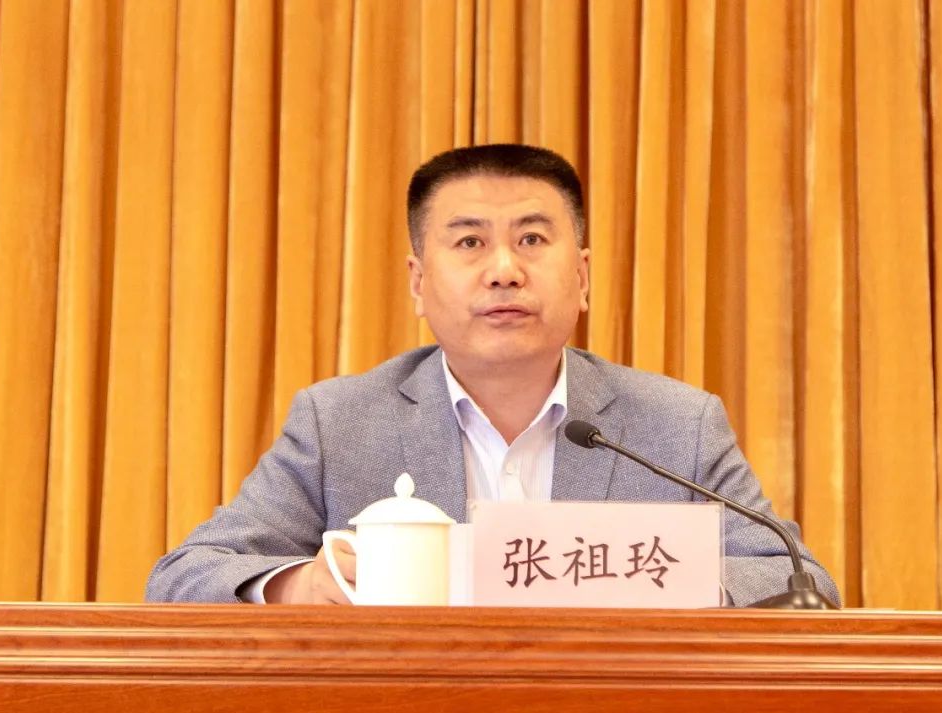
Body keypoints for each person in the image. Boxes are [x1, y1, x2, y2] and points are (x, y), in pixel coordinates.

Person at [146, 144, 840, 607]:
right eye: (470, 241)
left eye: (532, 239)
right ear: (418, 282)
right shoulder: (342, 423)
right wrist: (297, 586)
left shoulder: (676, 424)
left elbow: (799, 581)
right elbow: (185, 575)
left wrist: (646, 578)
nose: (504, 269)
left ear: (583, 276)